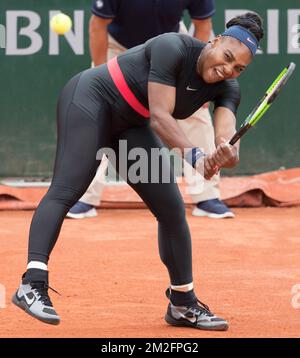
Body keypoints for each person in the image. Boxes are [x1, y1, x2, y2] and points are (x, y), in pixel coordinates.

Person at [12, 13, 264, 330]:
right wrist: (198, 158)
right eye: (227, 57)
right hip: (91, 101)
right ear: (213, 41)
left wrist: (225, 153)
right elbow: (160, 117)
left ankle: (182, 304)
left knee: (171, 208)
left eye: (238, 67)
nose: (228, 69)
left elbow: (227, 141)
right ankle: (31, 284)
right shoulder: (172, 46)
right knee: (66, 190)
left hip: (129, 127)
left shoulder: (228, 88)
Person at [67, 0, 235, 220]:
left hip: (175, 48)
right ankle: (83, 196)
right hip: (119, 48)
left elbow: (203, 24)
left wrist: (199, 79)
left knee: (196, 113)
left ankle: (207, 196)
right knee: (97, 115)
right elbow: (98, 25)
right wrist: (100, 76)